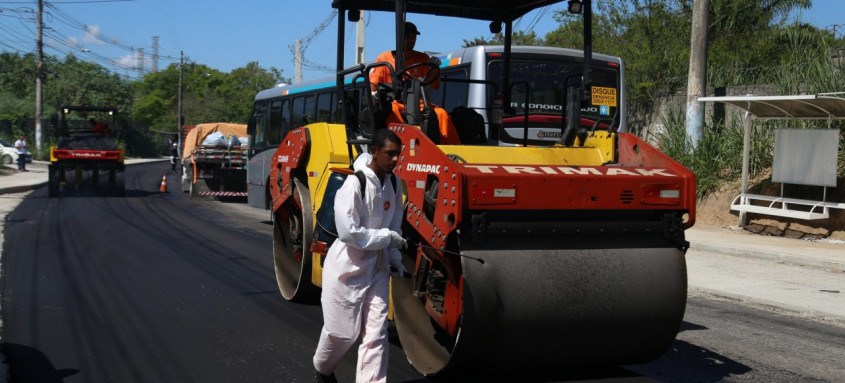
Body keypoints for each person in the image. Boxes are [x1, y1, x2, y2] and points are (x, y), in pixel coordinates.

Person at [312, 128, 407, 383]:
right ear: (374, 152)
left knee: (376, 335)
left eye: (399, 154)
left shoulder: (395, 184)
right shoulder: (355, 184)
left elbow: (395, 226)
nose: (396, 160)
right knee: (342, 334)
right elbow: (349, 233)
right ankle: (323, 368)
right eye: (390, 154)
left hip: (377, 267)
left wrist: (395, 258)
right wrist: (387, 238)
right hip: (347, 267)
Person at [369, 22, 461, 145]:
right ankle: (401, 146)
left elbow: (435, 85)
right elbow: (372, 81)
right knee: (394, 112)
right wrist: (374, 95)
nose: (411, 40)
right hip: (395, 102)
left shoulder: (422, 58)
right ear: (399, 37)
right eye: (408, 37)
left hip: (419, 104)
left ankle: (448, 150)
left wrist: (434, 71)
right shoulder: (384, 58)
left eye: (413, 37)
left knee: (442, 114)